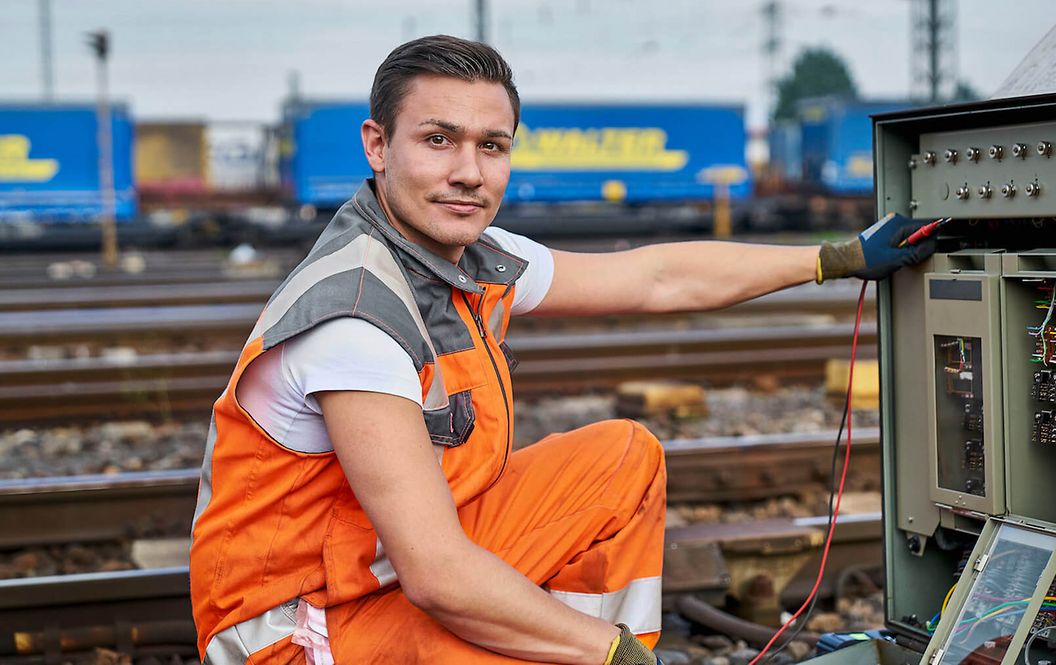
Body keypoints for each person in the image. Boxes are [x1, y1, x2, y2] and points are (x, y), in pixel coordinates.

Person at [189, 35, 934, 665]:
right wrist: (612, 651)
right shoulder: (354, 320)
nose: (468, 173)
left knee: (619, 458)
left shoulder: (471, 256)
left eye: (492, 146)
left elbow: (656, 278)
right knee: (508, 632)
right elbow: (439, 577)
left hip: (369, 573)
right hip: (293, 634)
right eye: (437, 139)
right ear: (377, 145)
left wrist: (832, 259)